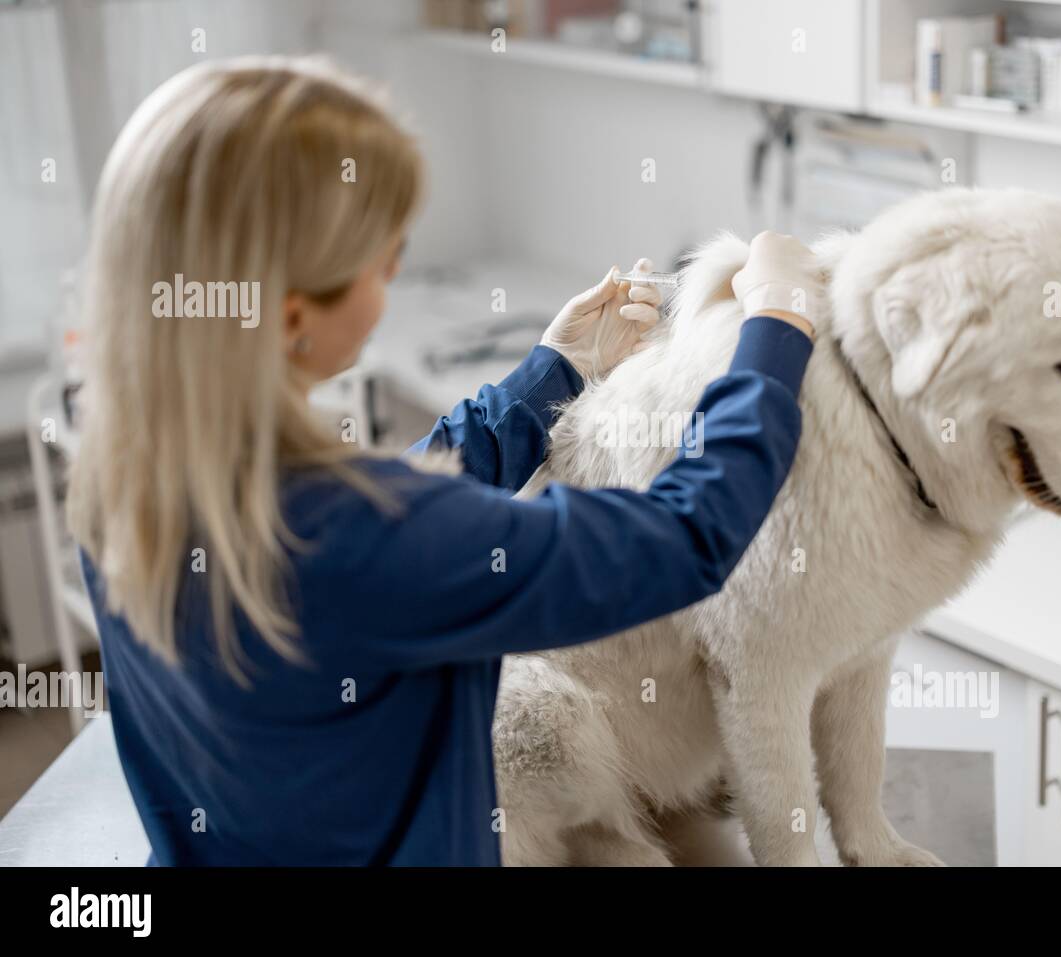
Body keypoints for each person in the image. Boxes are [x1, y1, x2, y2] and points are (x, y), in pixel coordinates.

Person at [67, 57, 821, 865]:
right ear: (292, 314)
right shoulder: (362, 540)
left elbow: (391, 508)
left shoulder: (131, 473)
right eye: (381, 258)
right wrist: (776, 327)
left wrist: (550, 371)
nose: (393, 272)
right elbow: (682, 539)